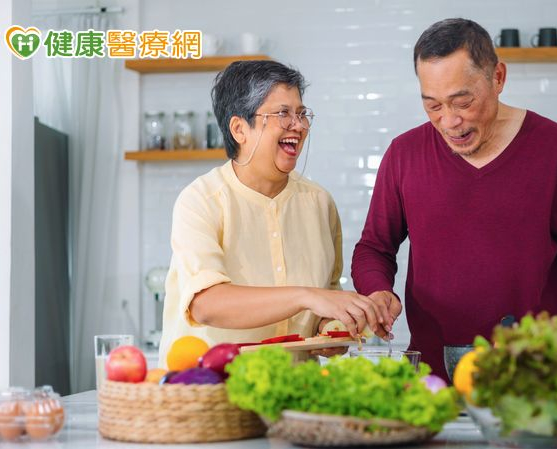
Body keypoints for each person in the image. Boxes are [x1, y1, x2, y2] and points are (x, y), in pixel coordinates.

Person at [351, 19, 557, 381]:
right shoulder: (404, 154)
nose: (450, 121)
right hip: (435, 377)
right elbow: (373, 247)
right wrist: (377, 291)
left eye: (462, 101)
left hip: (537, 373)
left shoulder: (554, 148)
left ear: (498, 78)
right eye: (433, 106)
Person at [159, 61, 392, 366]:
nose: (299, 125)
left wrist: (333, 328)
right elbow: (206, 304)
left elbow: (325, 302)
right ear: (239, 129)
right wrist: (305, 296)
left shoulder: (320, 203)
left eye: (301, 113)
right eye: (283, 113)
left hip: (296, 393)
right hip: (212, 393)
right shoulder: (201, 200)